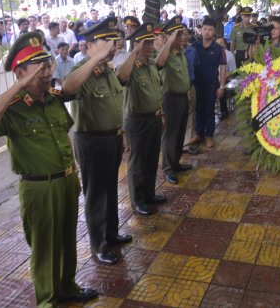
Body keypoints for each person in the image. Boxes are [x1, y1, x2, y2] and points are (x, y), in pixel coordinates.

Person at [0, 32, 98, 307]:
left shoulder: (53, 99)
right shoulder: (12, 108)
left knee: (67, 240)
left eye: (47, 63)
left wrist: (74, 172)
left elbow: (66, 135)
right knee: (45, 249)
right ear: (20, 73)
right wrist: (19, 87)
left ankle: (67, 287)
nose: (45, 71)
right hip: (38, 188)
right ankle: (48, 301)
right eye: (37, 67)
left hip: (66, 180)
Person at [62, 18, 133, 266]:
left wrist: (121, 135)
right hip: (91, 141)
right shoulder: (82, 70)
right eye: (106, 41)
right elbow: (67, 89)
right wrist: (94, 59)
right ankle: (99, 245)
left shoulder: (107, 70)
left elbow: (114, 105)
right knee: (96, 194)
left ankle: (111, 234)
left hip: (111, 138)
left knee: (110, 189)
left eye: (113, 41)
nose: (113, 45)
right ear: (89, 45)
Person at [116, 22, 166, 216]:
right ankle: (137, 200)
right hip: (137, 121)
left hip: (154, 118)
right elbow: (121, 77)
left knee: (152, 159)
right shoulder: (130, 65)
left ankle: (149, 194)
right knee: (137, 162)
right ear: (136, 44)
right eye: (145, 43)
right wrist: (134, 52)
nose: (150, 46)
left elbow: (157, 91)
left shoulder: (151, 65)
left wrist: (161, 113)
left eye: (150, 42)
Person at [156, 16, 193, 185]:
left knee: (179, 133)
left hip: (182, 97)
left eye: (184, 33)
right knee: (170, 135)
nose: (183, 37)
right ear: (170, 36)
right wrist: (169, 41)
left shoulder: (181, 52)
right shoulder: (166, 52)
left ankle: (176, 162)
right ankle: (168, 168)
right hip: (170, 99)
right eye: (179, 34)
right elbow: (159, 62)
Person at [189, 17, 227, 148]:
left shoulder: (218, 49)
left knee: (209, 110)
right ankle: (198, 134)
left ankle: (209, 135)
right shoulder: (194, 47)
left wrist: (222, 86)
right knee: (198, 110)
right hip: (195, 85)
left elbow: (223, 68)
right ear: (200, 30)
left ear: (214, 31)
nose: (207, 32)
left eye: (210, 29)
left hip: (211, 85)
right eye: (204, 29)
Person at [217, 37, 236, 119]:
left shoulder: (229, 55)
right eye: (217, 43)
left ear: (225, 44)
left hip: (227, 78)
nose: (219, 45)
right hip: (216, 77)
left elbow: (233, 72)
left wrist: (222, 78)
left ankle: (223, 110)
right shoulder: (213, 54)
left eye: (221, 43)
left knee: (222, 85)